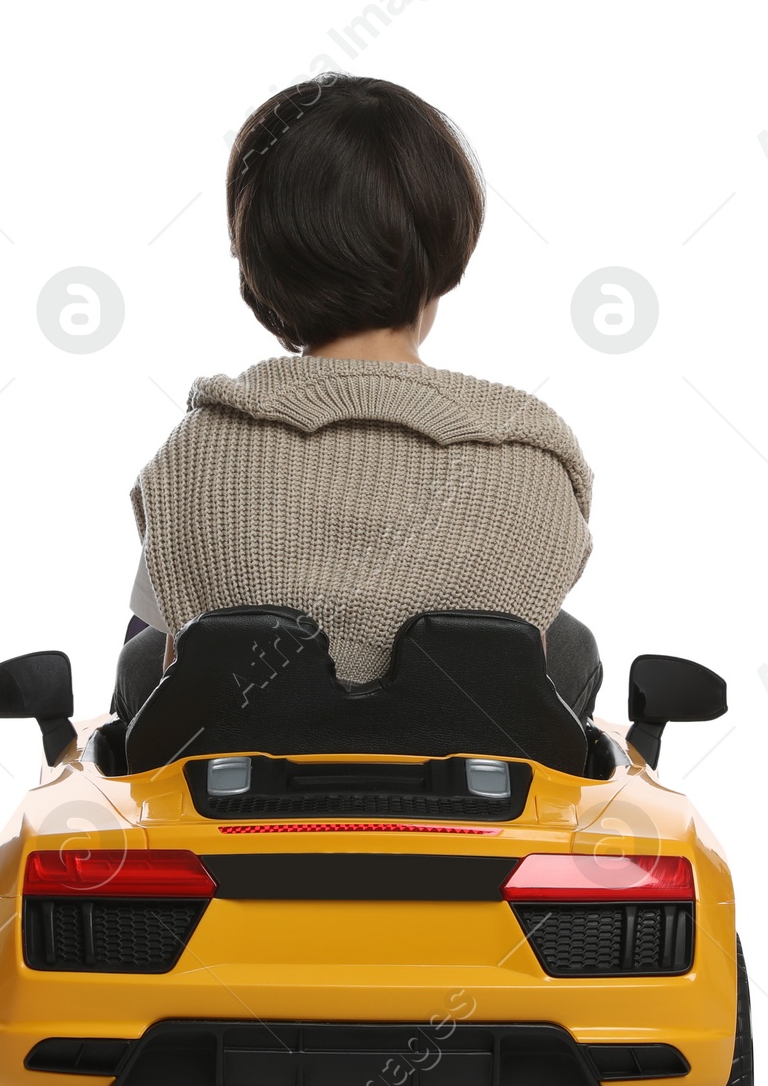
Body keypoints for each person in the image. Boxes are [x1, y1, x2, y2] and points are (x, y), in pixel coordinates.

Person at [114, 74, 601, 725]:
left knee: (142, 647)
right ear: (445, 244)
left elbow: (180, 659)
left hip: (236, 771)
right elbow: (525, 661)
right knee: (569, 643)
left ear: (258, 256)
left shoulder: (196, 451)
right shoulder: (537, 453)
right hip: (471, 765)